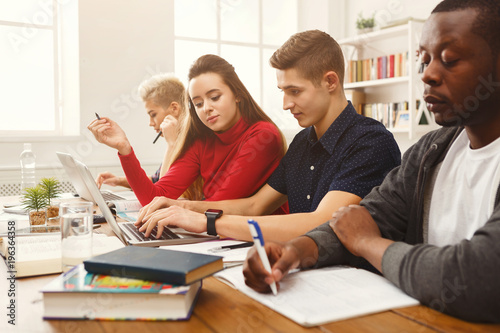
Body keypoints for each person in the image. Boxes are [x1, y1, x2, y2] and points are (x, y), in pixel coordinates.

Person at [243, 0, 500, 323]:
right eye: (424, 60)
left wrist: (367, 243)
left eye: (449, 60)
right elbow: (362, 219)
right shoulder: (431, 151)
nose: (429, 74)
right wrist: (296, 251)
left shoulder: (372, 141)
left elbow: (475, 278)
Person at [135, 30, 401, 242]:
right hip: (301, 267)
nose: (285, 104)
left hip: (353, 281)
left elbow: (322, 223)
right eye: (282, 91)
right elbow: (254, 206)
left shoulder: (370, 142)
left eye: (294, 91)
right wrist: (183, 208)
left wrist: (209, 222)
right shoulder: (302, 143)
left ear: (330, 82)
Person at [89, 54, 288, 208]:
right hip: (214, 234)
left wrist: (174, 207)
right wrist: (124, 148)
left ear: (237, 94)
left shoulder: (263, 136)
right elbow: (154, 198)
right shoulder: (202, 141)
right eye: (198, 103)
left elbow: (219, 204)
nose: (206, 108)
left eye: (215, 97)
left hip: (259, 243)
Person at [93, 73, 202, 200]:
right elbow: (156, 180)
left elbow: (162, 195)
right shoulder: (178, 139)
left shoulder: (193, 144)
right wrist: (119, 180)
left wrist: (172, 145)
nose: (150, 123)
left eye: (153, 114)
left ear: (174, 108)